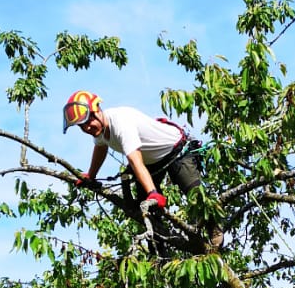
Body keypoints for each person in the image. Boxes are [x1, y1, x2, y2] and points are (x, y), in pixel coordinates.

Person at [62, 90, 221, 248]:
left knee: (194, 194)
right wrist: (91, 175)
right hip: (151, 162)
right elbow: (100, 147)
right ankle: (159, 251)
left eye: (88, 122)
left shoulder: (121, 123)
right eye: (82, 126)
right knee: (146, 209)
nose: (87, 128)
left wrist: (153, 193)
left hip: (176, 150)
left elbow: (135, 160)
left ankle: (213, 228)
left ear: (97, 111)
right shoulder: (100, 130)